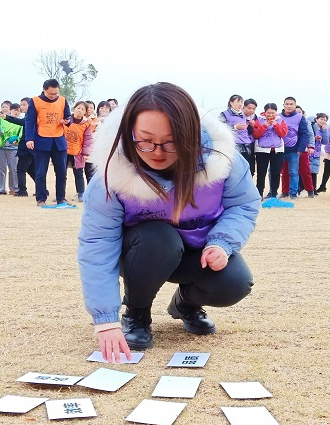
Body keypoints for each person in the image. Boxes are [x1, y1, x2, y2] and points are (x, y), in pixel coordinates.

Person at [78, 82, 260, 362]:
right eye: (145, 140)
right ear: (129, 134)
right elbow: (98, 243)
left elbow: (244, 204)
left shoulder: (223, 160)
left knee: (235, 282)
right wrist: (105, 319)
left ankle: (186, 303)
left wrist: (222, 243)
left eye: (172, 141)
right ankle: (137, 313)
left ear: (191, 133)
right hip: (143, 252)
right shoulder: (110, 175)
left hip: (197, 254)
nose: (158, 152)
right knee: (160, 239)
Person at [24, 79, 72, 206]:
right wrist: (29, 139)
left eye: (56, 93)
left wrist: (67, 121)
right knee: (40, 172)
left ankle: (61, 198)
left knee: (62, 172)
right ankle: (41, 198)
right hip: (42, 140)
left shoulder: (62, 100)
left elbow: (68, 116)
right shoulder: (34, 101)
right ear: (44, 90)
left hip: (59, 141)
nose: (54, 96)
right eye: (51, 93)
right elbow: (29, 121)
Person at [252, 103, 288, 198]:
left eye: (273, 113)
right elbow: (256, 134)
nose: (270, 115)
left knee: (276, 173)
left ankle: (273, 194)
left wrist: (276, 125)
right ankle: (259, 194)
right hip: (262, 150)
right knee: (261, 173)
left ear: (276, 112)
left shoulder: (280, 120)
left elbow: (283, 133)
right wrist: (265, 126)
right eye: (268, 113)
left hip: (277, 150)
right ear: (265, 112)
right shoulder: (258, 120)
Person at [278, 97, 309, 199]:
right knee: (275, 172)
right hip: (279, 149)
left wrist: (301, 149)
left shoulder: (300, 117)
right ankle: (278, 192)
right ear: (283, 105)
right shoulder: (278, 117)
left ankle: (293, 193)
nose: (289, 106)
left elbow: (304, 134)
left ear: (295, 105)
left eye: (291, 104)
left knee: (294, 172)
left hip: (294, 150)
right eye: (287, 104)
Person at [3, 98, 35, 197]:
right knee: (31, 169)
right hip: (30, 147)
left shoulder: (31, 116)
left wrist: (7, 117)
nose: (22, 107)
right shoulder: (30, 115)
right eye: (21, 105)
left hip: (27, 148)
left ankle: (22, 191)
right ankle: (42, 188)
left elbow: (21, 122)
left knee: (21, 170)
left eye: (24, 104)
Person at [64, 100, 93, 201]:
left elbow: (88, 140)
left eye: (82, 109)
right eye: (78, 108)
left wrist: (85, 153)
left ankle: (81, 193)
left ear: (85, 112)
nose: (79, 111)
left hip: (78, 152)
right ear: (74, 109)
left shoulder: (86, 125)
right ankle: (61, 195)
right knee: (62, 173)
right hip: (64, 151)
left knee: (79, 173)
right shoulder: (66, 121)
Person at [219, 95, 254, 169]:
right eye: (238, 102)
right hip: (233, 145)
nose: (240, 104)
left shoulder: (243, 116)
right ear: (231, 103)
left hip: (246, 145)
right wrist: (235, 127)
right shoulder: (224, 114)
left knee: (246, 168)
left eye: (241, 102)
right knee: (235, 169)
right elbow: (219, 129)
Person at [0, 103, 22, 195]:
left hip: (14, 148)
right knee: (1, 168)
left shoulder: (20, 122)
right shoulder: (2, 120)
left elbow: (21, 134)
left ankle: (14, 188)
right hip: (1, 147)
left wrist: (16, 139)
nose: (16, 112)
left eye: (18, 110)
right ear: (10, 110)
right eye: (14, 110)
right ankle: (1, 188)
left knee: (14, 169)